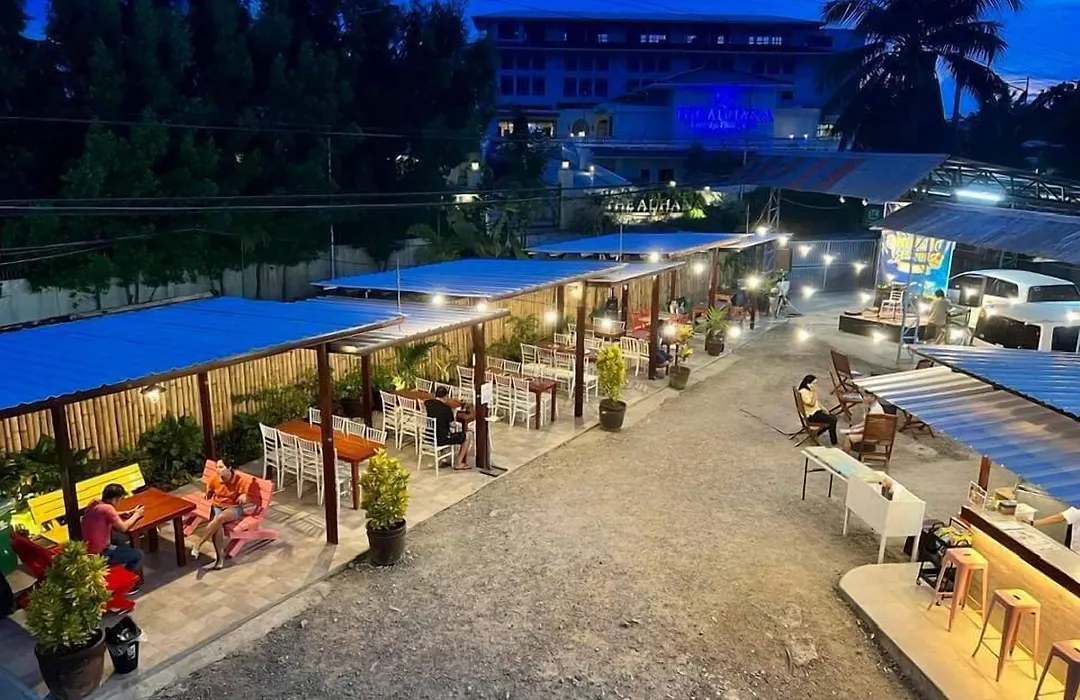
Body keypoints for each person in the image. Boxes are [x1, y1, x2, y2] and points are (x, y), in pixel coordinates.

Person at [190, 460, 253, 569]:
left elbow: (246, 497)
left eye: (221, 467)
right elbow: (209, 495)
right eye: (217, 467)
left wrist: (244, 497)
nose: (217, 470)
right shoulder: (214, 479)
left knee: (220, 518)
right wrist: (207, 494)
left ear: (229, 468)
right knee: (217, 525)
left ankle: (198, 544)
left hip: (233, 508)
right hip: (217, 506)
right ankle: (220, 559)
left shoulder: (239, 480)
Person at [81, 484, 145, 580]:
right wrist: (136, 515)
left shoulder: (95, 504)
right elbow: (123, 528)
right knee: (138, 555)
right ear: (115, 499)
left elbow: (104, 514)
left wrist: (123, 513)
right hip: (100, 554)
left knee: (119, 541)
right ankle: (125, 580)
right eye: (120, 499)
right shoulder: (108, 509)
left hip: (88, 550)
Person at [424, 386, 473, 470]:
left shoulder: (428, 404)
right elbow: (452, 425)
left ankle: (445, 457)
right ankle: (459, 463)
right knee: (468, 435)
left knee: (445, 430)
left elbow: (426, 402)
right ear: (446, 396)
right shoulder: (446, 409)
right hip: (442, 438)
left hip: (429, 436)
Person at [797, 374, 838, 445]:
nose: (816, 385)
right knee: (832, 420)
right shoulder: (803, 392)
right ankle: (833, 441)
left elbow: (817, 402)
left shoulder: (810, 391)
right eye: (814, 383)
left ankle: (818, 433)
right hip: (811, 416)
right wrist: (814, 392)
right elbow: (812, 403)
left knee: (833, 418)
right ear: (808, 384)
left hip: (816, 412)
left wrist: (823, 408)